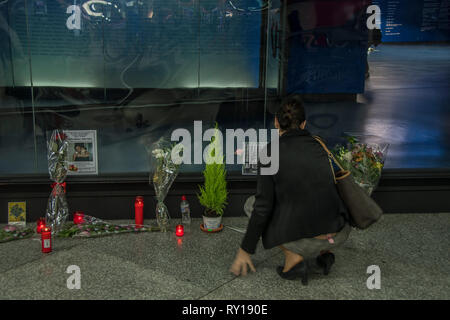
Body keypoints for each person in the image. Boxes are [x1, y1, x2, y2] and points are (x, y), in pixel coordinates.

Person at [229, 96, 351, 285]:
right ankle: (322, 257)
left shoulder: (270, 153)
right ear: (304, 124)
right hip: (339, 233)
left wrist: (245, 250)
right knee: (313, 200)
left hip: (310, 238)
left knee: (252, 204)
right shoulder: (319, 144)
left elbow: (263, 208)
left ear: (276, 122)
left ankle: (294, 259)